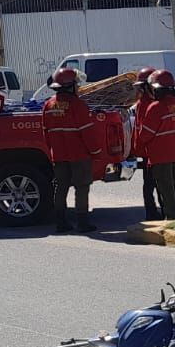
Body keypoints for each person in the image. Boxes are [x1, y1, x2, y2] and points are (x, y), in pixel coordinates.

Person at [42, 67, 105, 233]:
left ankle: (60, 222)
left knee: (61, 187)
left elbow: (46, 132)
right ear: (70, 86)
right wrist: (96, 152)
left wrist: (52, 151)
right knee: (82, 187)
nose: (78, 87)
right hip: (79, 155)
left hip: (59, 155)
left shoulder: (48, 105)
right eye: (76, 84)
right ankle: (82, 222)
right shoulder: (78, 106)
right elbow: (87, 134)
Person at [134, 69, 175, 220]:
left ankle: (171, 217)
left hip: (160, 155)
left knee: (165, 188)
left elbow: (145, 135)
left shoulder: (155, 107)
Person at [131, 66, 163, 220]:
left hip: (147, 150)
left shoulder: (143, 102)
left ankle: (153, 211)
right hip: (149, 150)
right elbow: (147, 131)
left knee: (151, 183)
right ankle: (152, 212)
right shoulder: (146, 104)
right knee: (153, 183)